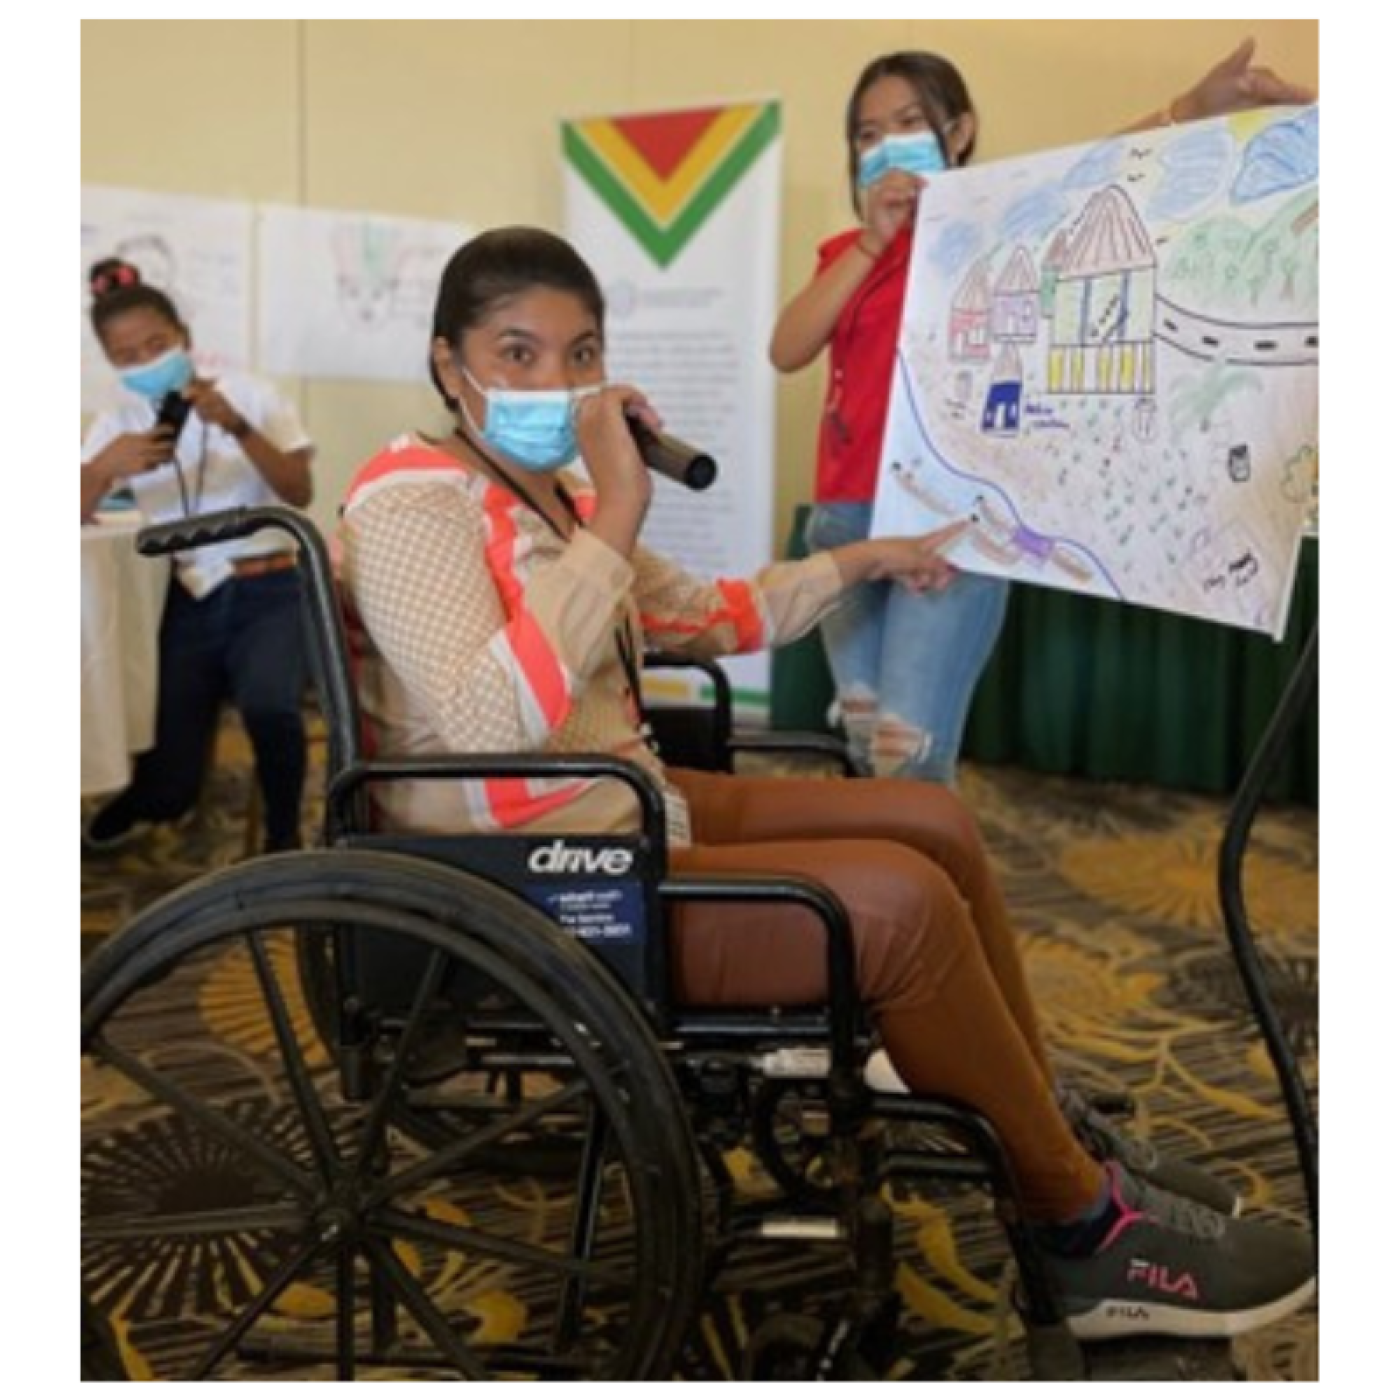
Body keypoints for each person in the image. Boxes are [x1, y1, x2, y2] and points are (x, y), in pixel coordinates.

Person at [337, 225, 1314, 1343]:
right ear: (445, 363)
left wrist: (868, 559)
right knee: (895, 904)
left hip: (620, 812)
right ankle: (1077, 1228)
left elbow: (705, 614)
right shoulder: (409, 499)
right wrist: (612, 508)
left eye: (579, 352)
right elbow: (480, 720)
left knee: (929, 817)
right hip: (535, 875)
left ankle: (1045, 1126)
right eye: (516, 353)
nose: (554, 382)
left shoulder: (545, 494)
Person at [770, 39, 1317, 785]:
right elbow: (787, 347)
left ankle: (920, 893)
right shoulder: (846, 250)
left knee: (908, 752)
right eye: (866, 133)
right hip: (844, 521)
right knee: (864, 738)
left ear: (957, 131)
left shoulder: (994, 225)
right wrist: (871, 242)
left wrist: (1191, 111)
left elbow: (1085, 177)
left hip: (946, 531)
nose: (883, 144)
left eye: (906, 122)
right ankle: (891, 893)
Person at [80, 258, 315, 854]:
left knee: (269, 707)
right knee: (171, 778)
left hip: (268, 590)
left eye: (156, 344)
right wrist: (105, 467)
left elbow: (298, 491)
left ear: (183, 336)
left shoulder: (252, 396)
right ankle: (152, 800)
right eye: (127, 355)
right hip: (185, 595)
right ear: (111, 363)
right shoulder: (116, 421)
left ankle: (285, 839)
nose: (145, 361)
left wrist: (237, 426)